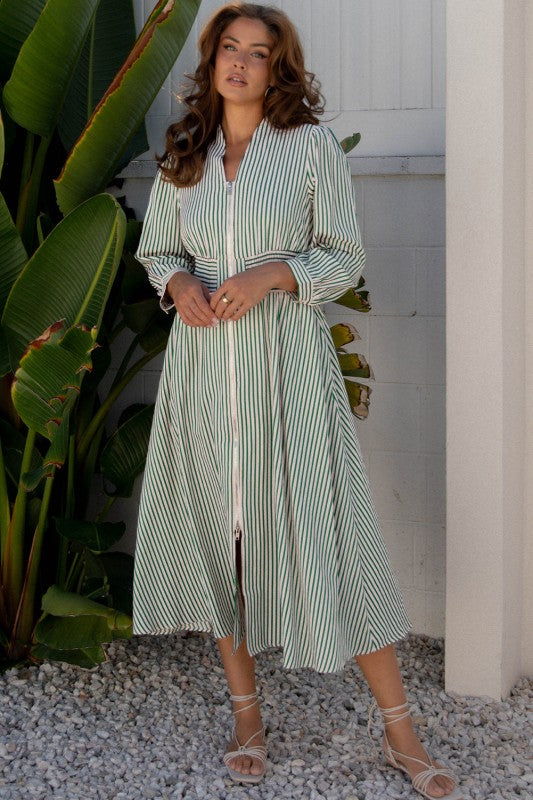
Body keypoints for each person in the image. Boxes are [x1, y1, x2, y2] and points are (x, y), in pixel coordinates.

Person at [131, 3, 461, 798]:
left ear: (279, 69)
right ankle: (247, 718)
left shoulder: (308, 147)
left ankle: (401, 734)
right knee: (222, 540)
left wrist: (270, 276)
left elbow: (341, 257)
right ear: (211, 61)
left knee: (336, 536)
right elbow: (156, 251)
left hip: (289, 371)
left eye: (258, 53)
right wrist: (179, 282)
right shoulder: (185, 154)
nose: (240, 64)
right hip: (205, 371)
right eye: (229, 50)